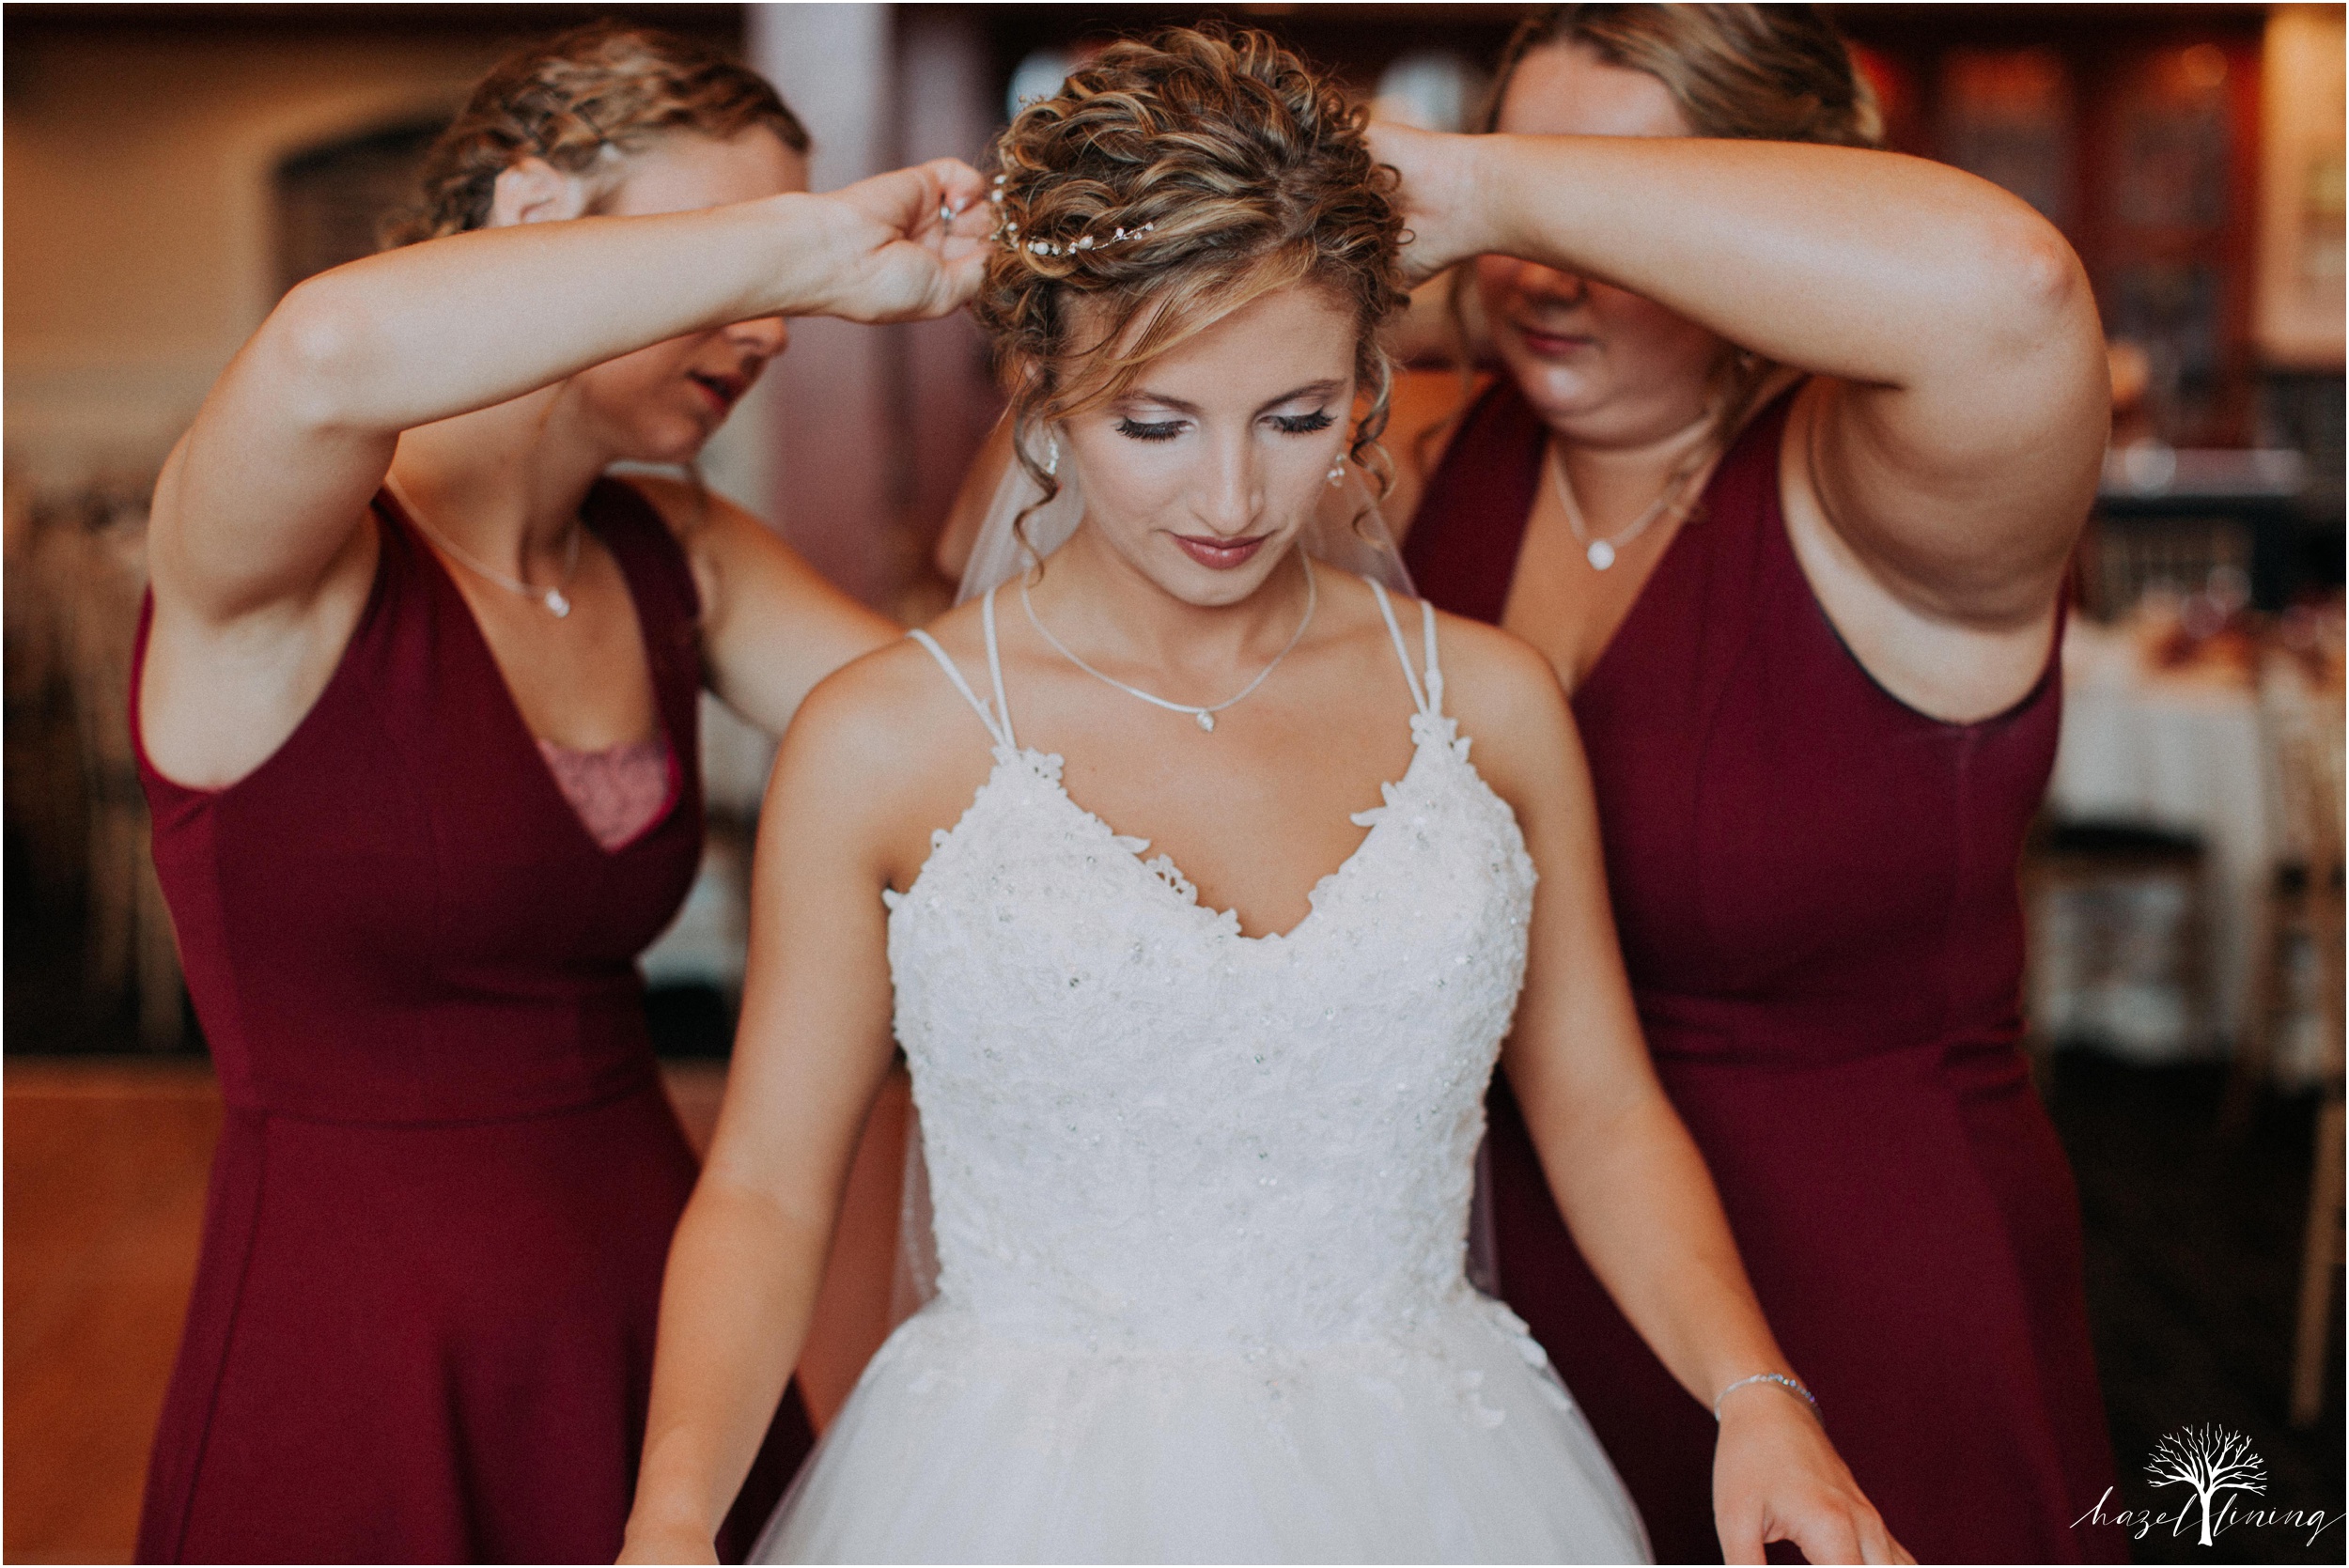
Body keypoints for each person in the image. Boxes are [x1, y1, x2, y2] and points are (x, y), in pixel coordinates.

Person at [619, 29, 1905, 1565]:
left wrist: (1758, 1395)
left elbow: (1603, 1107)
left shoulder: (1488, 703)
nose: (1230, 502)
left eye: (1297, 418)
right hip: (1010, 1492)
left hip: (1444, 1479)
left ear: (1374, 382)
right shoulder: (885, 740)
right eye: (1154, 423)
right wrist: (675, 1516)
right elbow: (765, 1185)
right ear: (1042, 376)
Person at [130, 22, 988, 1562]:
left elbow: (980, 747)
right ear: (530, 223)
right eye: (716, 254)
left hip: (656, 1314)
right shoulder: (281, 567)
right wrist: (801, 246)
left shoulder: (680, 556)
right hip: (358, 1351)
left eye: (782, 277)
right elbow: (328, 353)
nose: (779, 321)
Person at [1370, 6, 2124, 1561]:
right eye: (1520, 196)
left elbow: (2016, 289)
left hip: (1860, 1312)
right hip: (1483, 1321)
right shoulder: (1423, 455)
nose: (1541, 270)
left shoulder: (1883, 494)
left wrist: (1488, 188)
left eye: (1602, 202)